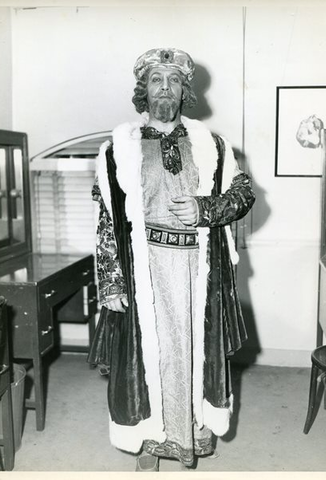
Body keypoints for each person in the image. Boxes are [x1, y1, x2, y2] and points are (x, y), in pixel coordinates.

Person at [88, 47, 255, 472]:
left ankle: (192, 433)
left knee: (193, 350)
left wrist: (206, 210)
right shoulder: (117, 149)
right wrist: (110, 282)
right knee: (148, 357)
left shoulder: (212, 146)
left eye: (174, 81)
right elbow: (106, 219)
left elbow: (243, 193)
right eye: (156, 80)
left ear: (185, 92)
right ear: (143, 90)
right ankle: (149, 440)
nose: (165, 87)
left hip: (197, 270)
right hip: (144, 271)